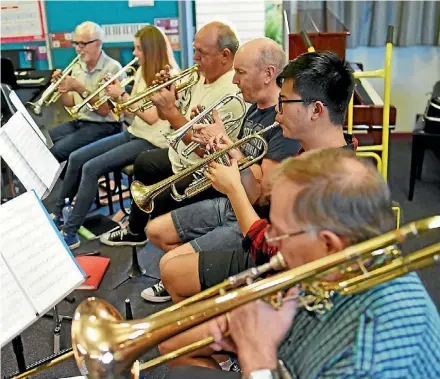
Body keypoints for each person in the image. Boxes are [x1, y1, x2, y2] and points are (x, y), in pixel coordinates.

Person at [162, 148, 440, 379]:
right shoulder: (353, 261)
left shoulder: (368, 358)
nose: (269, 238)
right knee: (172, 346)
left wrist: (257, 356)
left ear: (329, 244)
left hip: (279, 365)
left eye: (279, 231)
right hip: (290, 359)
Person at [142, 51, 356, 303]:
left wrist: (233, 189)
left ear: (316, 110)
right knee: (168, 260)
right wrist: (233, 158)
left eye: (284, 102)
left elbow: (270, 252)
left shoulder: (330, 178)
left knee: (173, 274)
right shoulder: (315, 153)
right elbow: (264, 200)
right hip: (270, 239)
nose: (277, 111)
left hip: (279, 269)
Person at [100, 21, 244, 247]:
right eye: (194, 49)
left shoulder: (232, 92)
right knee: (144, 162)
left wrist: (171, 110)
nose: (194, 57)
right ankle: (135, 232)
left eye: (201, 52)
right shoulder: (201, 76)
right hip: (179, 154)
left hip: (201, 169)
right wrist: (163, 97)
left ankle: (173, 261)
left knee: (159, 208)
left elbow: (204, 150)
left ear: (225, 55)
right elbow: (166, 118)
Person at [52, 25, 179, 249]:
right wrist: (114, 97)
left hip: (151, 141)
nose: (134, 53)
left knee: (91, 168)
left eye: (138, 48)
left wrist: (121, 93)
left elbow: (151, 118)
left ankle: (70, 233)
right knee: (77, 158)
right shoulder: (141, 71)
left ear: (150, 49)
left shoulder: (168, 76)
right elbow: (129, 111)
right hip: (133, 132)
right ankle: (58, 214)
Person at [49, 21, 124, 162]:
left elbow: (104, 111)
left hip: (105, 125)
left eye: (82, 44)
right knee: (44, 141)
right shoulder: (78, 66)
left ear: (98, 43)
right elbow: (70, 103)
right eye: (75, 43)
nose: (78, 49)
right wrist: (61, 88)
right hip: (80, 121)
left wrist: (78, 87)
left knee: (57, 151)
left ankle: (69, 183)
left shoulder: (113, 68)